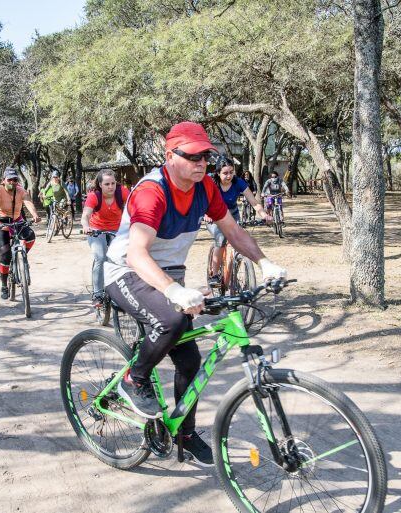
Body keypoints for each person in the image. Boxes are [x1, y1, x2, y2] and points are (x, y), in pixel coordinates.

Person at [104, 121, 287, 466]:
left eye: (206, 156)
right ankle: (134, 379)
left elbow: (232, 231)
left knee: (189, 360)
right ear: (169, 155)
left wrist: (265, 263)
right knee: (171, 320)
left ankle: (184, 435)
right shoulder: (152, 191)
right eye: (192, 156)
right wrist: (174, 290)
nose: (202, 163)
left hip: (169, 276)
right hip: (128, 270)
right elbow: (137, 253)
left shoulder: (206, 188)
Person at [206, 156, 271, 286]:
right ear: (218, 172)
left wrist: (263, 214)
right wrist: (206, 214)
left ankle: (232, 273)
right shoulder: (211, 183)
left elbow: (253, 202)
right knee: (221, 239)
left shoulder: (239, 182)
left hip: (232, 214)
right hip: (213, 215)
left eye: (231, 172)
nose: (229, 176)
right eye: (225, 173)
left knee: (239, 240)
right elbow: (203, 200)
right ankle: (214, 274)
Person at [0, 168, 41, 299]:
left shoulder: (21, 190)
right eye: (9, 179)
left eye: (15, 179)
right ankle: (4, 285)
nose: (12, 182)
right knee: (5, 254)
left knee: (30, 237)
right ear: (4, 180)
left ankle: (22, 258)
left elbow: (28, 202)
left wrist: (35, 215)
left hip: (17, 221)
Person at [80, 169, 130, 307]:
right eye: (107, 184)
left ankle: (121, 292)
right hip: (96, 229)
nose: (111, 187)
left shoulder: (122, 192)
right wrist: (86, 226)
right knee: (100, 257)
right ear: (100, 184)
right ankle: (97, 294)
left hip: (118, 229)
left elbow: (135, 206)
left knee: (120, 258)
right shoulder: (94, 196)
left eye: (113, 183)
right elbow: (85, 216)